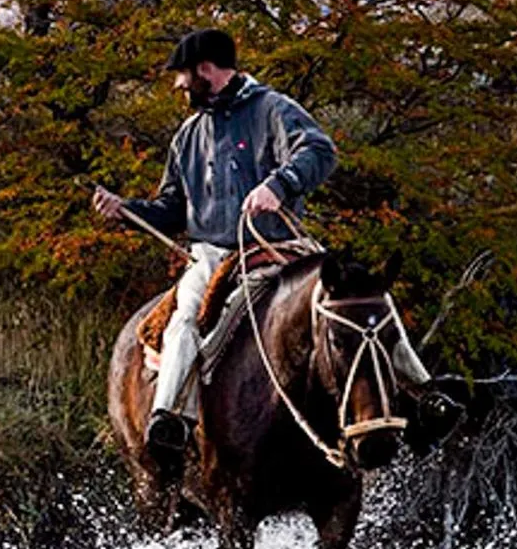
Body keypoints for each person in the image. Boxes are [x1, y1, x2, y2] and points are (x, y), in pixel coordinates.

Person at [93, 28, 458, 471]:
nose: (178, 85)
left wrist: (278, 185)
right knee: (183, 321)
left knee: (364, 301)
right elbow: (172, 209)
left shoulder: (272, 109)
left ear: (206, 70)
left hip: (282, 246)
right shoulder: (186, 137)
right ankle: (169, 422)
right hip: (212, 256)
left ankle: (425, 397)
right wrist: (125, 209)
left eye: (182, 75)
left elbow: (319, 151)